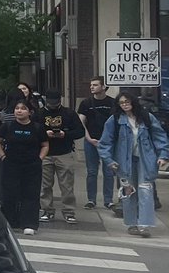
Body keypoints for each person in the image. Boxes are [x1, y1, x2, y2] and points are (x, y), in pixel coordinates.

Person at [97, 91, 169, 237]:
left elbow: (159, 136)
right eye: (121, 102)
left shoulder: (146, 117)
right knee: (128, 191)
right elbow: (105, 143)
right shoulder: (115, 120)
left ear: (133, 102)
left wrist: (163, 155)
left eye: (127, 101)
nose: (124, 104)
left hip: (145, 160)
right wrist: (109, 160)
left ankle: (144, 225)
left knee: (145, 190)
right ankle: (132, 223)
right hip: (124, 162)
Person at [0, 99, 48, 235]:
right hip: (11, 164)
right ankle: (10, 222)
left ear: (30, 112)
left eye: (23, 108)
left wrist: (39, 158)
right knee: (9, 194)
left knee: (30, 194)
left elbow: (45, 145)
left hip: (32, 166)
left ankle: (29, 223)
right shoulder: (7, 126)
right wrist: (2, 156)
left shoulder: (37, 128)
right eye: (17, 108)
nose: (19, 111)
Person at [34, 89, 84, 224]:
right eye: (50, 103)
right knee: (45, 185)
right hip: (45, 153)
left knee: (67, 185)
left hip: (64, 152)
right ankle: (47, 210)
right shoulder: (39, 114)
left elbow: (80, 131)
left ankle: (69, 211)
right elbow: (33, 131)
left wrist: (65, 134)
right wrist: (45, 134)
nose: (53, 106)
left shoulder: (69, 113)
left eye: (55, 103)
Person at [77, 76, 117, 211]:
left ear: (104, 87)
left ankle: (108, 200)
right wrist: (88, 138)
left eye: (95, 85)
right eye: (91, 85)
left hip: (108, 142)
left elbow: (116, 123)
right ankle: (91, 199)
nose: (91, 87)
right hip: (91, 141)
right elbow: (81, 122)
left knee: (109, 171)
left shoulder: (113, 103)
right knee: (92, 171)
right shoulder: (86, 103)